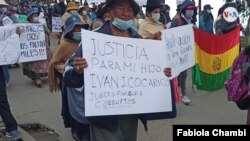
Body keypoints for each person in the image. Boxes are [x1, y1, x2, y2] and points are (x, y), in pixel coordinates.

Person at [63, 0, 172, 141]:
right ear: (109, 11)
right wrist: (77, 71)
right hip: (103, 117)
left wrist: (162, 73)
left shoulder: (136, 39)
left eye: (130, 9)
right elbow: (68, 76)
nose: (126, 13)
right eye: (121, 8)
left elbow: (148, 71)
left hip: (131, 113)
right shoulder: (94, 39)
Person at [48, 15, 90, 141]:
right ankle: (76, 130)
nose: (79, 32)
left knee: (85, 107)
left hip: (84, 81)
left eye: (81, 29)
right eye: (76, 29)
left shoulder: (87, 42)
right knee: (72, 108)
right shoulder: (65, 45)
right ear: (70, 31)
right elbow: (54, 63)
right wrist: (66, 67)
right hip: (69, 83)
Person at [171, 0, 197, 105]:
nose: (191, 12)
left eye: (192, 10)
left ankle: (183, 93)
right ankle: (177, 91)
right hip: (177, 52)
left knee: (184, 73)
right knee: (177, 73)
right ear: (184, 10)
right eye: (189, 9)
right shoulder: (177, 20)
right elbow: (171, 34)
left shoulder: (190, 20)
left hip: (186, 51)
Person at [22, 7, 52, 88]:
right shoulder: (26, 26)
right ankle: (37, 78)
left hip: (44, 48)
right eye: (34, 15)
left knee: (47, 62)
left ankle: (48, 76)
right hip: (34, 50)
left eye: (36, 15)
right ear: (30, 16)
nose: (35, 16)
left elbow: (49, 33)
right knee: (35, 64)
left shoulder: (40, 24)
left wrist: (44, 27)